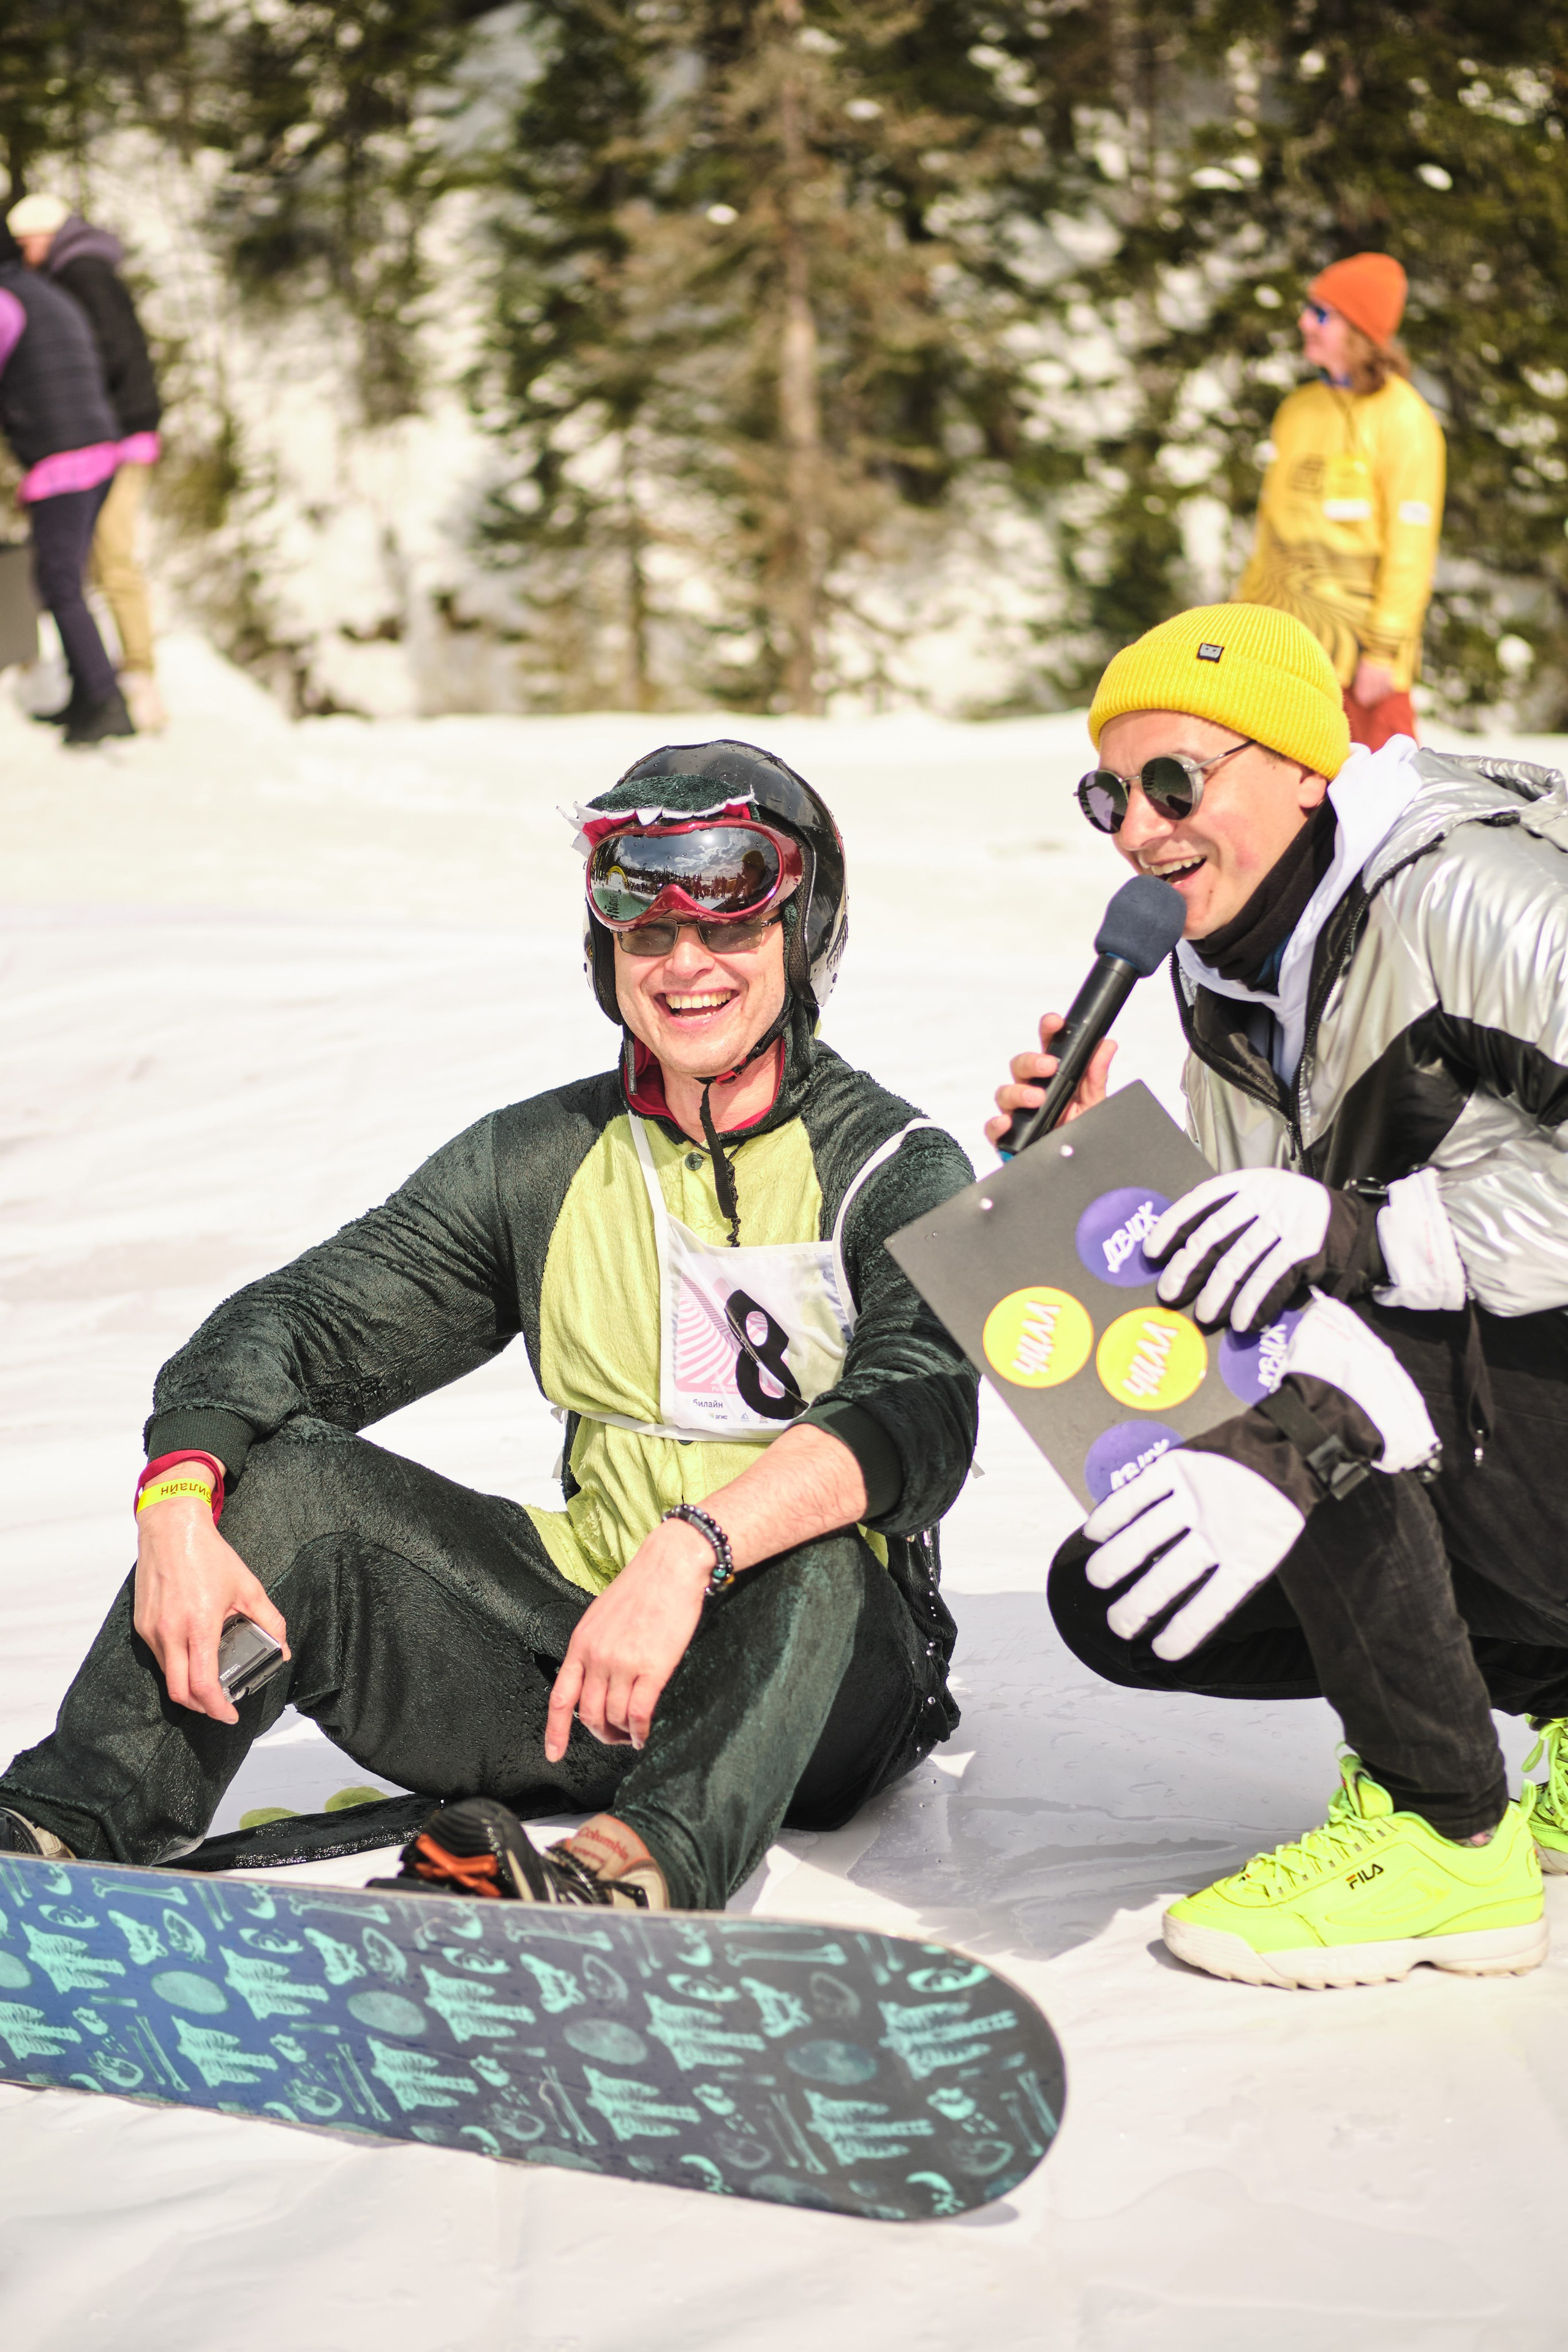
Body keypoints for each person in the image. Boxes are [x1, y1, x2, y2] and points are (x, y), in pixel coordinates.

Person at [0, 741, 979, 1916]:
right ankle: (56, 1829)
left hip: (818, 1688)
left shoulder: (894, 1165)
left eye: (728, 929)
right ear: (602, 953)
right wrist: (177, 1495)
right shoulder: (540, 1162)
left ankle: (630, 1884)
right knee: (288, 1484)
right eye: (646, 933)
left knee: (809, 1545)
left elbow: (922, 1411)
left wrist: (695, 1548)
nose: (685, 966)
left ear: (804, 936)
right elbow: (297, 1324)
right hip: (586, 1661)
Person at [990, 600, 1568, 1991]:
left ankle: (1444, 1834)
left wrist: (1364, 1241)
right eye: (1108, 793)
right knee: (1123, 1590)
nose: (1137, 827)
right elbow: (1262, 1253)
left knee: (1317, 1401)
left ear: (1303, 766)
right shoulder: (1226, 967)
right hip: (1500, 1412)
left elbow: (1339, 1250)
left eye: (1173, 780)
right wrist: (1101, 1163)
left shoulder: (1471, 894)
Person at [1238, 251, 1444, 755]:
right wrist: (1245, 611)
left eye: (1323, 314)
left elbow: (1411, 547)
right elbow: (1272, 523)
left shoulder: (1404, 420)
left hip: (1360, 653)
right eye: (1310, 308)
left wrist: (1385, 648)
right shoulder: (1298, 408)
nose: (1304, 321)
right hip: (1284, 637)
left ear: (1359, 330)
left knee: (1383, 800)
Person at [7, 192, 165, 734]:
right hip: (110, 434)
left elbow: (113, 353)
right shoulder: (79, 271)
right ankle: (105, 685)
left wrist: (95, 418)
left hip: (110, 438)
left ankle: (132, 686)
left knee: (109, 561)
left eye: (29, 243)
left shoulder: (82, 274)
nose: (27, 255)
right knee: (87, 566)